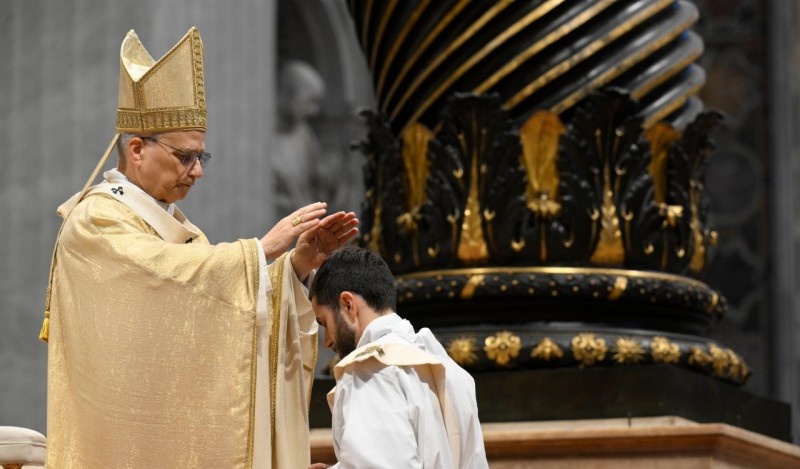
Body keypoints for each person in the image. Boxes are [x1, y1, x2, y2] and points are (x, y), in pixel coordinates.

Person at [39, 27, 358, 468]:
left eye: (200, 157)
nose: (197, 171)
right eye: (185, 156)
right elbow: (166, 277)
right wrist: (262, 249)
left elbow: (214, 304)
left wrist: (296, 266)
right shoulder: (96, 223)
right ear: (137, 149)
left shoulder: (175, 228)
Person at [308, 247, 489, 469]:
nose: (327, 341)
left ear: (348, 304)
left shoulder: (370, 371)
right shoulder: (448, 367)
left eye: (324, 323)